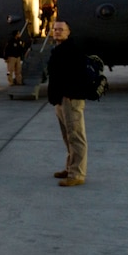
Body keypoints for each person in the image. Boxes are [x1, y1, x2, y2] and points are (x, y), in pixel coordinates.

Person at [47, 20, 87, 187]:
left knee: (76, 136)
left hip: (70, 99)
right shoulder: (58, 49)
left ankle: (77, 174)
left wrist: (70, 94)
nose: (57, 31)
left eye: (61, 29)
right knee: (67, 136)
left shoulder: (73, 49)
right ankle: (70, 167)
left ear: (68, 32)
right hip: (61, 99)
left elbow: (79, 74)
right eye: (55, 29)